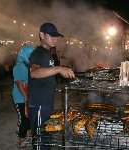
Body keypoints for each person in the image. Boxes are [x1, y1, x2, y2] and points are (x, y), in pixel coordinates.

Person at [27, 22, 75, 150]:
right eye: (51, 36)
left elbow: (47, 74)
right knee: (40, 140)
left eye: (56, 36)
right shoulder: (38, 53)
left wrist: (60, 74)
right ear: (41, 35)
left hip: (46, 103)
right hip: (39, 104)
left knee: (47, 139)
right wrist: (58, 68)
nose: (55, 39)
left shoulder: (49, 53)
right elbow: (34, 72)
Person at [12, 45, 34, 147]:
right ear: (24, 54)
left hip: (27, 95)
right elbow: (19, 84)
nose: (31, 56)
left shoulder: (28, 65)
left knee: (29, 116)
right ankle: (21, 143)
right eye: (30, 54)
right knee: (23, 120)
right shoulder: (19, 66)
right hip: (20, 97)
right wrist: (25, 97)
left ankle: (28, 135)